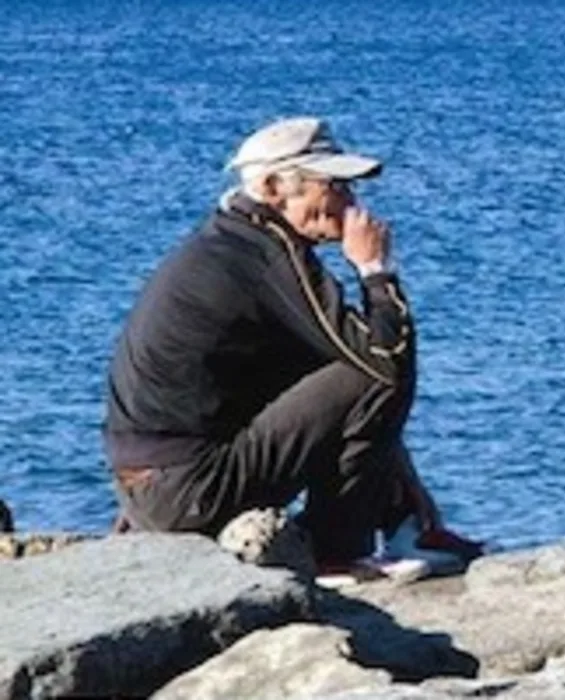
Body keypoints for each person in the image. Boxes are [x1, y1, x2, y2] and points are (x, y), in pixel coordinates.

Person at [103, 116, 480, 571]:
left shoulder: (234, 241)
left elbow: (336, 385)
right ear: (274, 187)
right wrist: (376, 269)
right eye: (333, 186)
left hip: (158, 492)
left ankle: (402, 523)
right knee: (373, 374)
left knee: (349, 373)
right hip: (191, 492)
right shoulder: (267, 255)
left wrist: (402, 486)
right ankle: (336, 554)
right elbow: (385, 363)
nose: (349, 201)